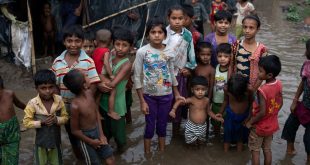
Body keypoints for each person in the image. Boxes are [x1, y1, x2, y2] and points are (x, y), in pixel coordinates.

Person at [51, 25, 101, 160]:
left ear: (82, 41)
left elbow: (94, 84)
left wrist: (88, 101)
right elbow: (54, 85)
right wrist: (58, 104)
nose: (73, 45)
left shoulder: (88, 61)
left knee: (89, 132)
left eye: (77, 41)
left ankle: (91, 156)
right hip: (65, 106)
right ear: (64, 42)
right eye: (69, 41)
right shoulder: (57, 62)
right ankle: (80, 158)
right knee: (73, 134)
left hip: (84, 107)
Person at [134, 18, 182, 153]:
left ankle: (162, 153)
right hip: (149, 96)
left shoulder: (169, 51)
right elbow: (137, 77)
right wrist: (142, 102)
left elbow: (172, 73)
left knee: (162, 125)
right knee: (149, 126)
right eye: (153, 32)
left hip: (166, 96)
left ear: (165, 35)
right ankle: (148, 155)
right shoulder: (142, 52)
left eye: (160, 32)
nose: (156, 35)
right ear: (148, 35)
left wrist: (177, 93)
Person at [63, 69, 115, 165]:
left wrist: (101, 134)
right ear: (84, 84)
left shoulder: (90, 93)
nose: (88, 77)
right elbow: (75, 131)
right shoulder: (75, 106)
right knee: (94, 162)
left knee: (110, 157)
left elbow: (96, 114)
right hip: (85, 138)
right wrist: (91, 142)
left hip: (97, 130)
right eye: (86, 76)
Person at [98, 27, 133, 152]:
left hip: (117, 104)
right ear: (113, 43)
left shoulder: (127, 64)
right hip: (104, 101)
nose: (120, 48)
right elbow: (101, 70)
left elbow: (113, 84)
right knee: (105, 131)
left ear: (131, 47)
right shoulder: (111, 55)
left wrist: (100, 81)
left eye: (124, 45)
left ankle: (121, 152)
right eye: (117, 44)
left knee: (119, 136)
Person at [163, 5, 196, 135]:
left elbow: (191, 54)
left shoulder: (187, 35)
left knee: (178, 103)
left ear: (185, 19)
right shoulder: (163, 33)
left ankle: (175, 134)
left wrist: (189, 67)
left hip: (179, 75)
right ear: (168, 18)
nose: (177, 21)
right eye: (173, 18)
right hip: (164, 75)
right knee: (165, 102)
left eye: (180, 18)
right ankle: (162, 132)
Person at [23, 69, 68, 165]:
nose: (47, 91)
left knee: (57, 162)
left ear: (55, 86)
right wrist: (41, 123)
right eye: (43, 88)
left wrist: (57, 120)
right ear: (36, 88)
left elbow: (65, 117)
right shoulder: (32, 103)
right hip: (40, 142)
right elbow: (26, 122)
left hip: (55, 141)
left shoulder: (59, 100)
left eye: (51, 87)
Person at [245, 55, 283, 165]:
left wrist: (250, 122)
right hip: (272, 125)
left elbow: (261, 112)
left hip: (259, 127)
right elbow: (281, 104)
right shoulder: (279, 84)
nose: (257, 73)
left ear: (269, 75)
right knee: (267, 150)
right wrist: (272, 114)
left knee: (255, 151)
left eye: (260, 71)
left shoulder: (262, 90)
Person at [170, 76, 223, 145]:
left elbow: (209, 111)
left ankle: (199, 153)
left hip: (203, 126)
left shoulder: (206, 100)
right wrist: (173, 110)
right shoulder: (191, 99)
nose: (200, 92)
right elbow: (179, 101)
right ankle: (191, 153)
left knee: (201, 142)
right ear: (192, 90)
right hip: (191, 126)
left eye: (203, 89)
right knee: (190, 143)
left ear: (206, 90)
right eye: (197, 89)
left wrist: (216, 117)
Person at [281, 39, 310, 163]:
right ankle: (290, 150)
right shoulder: (307, 65)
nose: (305, 52)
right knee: (289, 126)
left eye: (307, 49)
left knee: (309, 139)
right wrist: (294, 100)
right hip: (303, 105)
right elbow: (303, 83)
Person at [230, 15, 268, 91]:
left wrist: (253, 91)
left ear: (257, 29)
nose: (247, 31)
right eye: (245, 27)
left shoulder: (262, 49)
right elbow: (231, 66)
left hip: (254, 88)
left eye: (251, 28)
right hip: (236, 88)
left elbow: (263, 73)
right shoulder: (235, 45)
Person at [219, 73, 252, 152]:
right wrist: (220, 113)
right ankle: (225, 155)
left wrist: (248, 118)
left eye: (239, 95)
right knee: (227, 136)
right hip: (230, 115)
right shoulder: (227, 89)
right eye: (234, 95)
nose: (237, 97)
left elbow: (251, 105)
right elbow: (225, 100)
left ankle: (239, 156)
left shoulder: (249, 90)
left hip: (244, 117)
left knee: (240, 138)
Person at [91, 29, 120, 120]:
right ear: (110, 41)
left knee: (98, 95)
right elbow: (106, 63)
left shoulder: (95, 50)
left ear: (96, 41)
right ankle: (111, 111)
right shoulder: (106, 51)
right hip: (102, 75)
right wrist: (111, 75)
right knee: (113, 90)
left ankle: (97, 113)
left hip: (95, 75)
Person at [0, 75, 25, 165]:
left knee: (12, 159)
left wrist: (31, 111)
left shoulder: (9, 94)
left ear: (2, 87)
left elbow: (19, 104)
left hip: (12, 132)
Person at [211, 43, 231, 135]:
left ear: (231, 57)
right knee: (215, 123)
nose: (222, 59)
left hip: (227, 102)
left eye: (226, 56)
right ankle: (216, 139)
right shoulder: (217, 67)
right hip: (216, 100)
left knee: (226, 123)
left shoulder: (231, 70)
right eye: (220, 56)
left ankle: (225, 139)